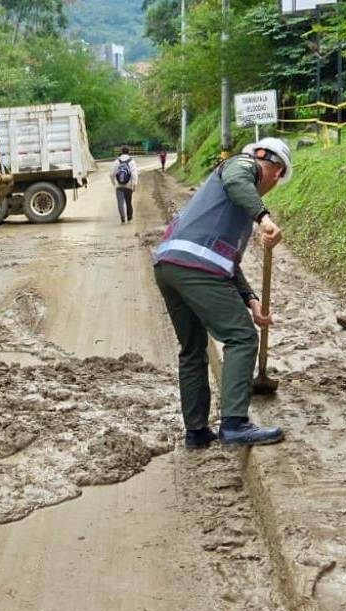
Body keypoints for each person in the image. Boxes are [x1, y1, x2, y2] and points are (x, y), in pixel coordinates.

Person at [152, 137, 293, 449]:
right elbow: (237, 177)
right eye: (275, 181)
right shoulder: (242, 167)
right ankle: (235, 424)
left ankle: (197, 432)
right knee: (241, 337)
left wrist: (250, 299)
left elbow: (224, 259)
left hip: (170, 267)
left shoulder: (232, 203)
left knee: (192, 349)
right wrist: (265, 218)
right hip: (194, 269)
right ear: (276, 172)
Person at [110, 147, 138, 223]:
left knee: (120, 203)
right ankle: (129, 218)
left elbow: (112, 174)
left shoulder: (117, 161)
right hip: (128, 186)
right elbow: (134, 174)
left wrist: (114, 183)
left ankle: (122, 218)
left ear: (121, 152)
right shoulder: (132, 161)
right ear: (129, 152)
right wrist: (134, 184)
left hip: (119, 186)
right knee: (129, 202)